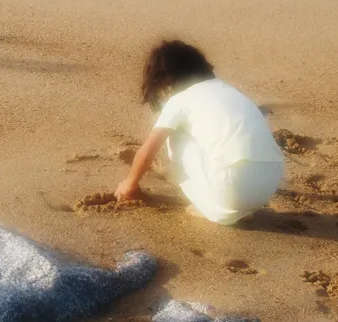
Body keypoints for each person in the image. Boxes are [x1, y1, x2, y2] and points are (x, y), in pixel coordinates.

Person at [115, 38, 284, 225]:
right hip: (269, 183)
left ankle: (211, 208)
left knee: (176, 136)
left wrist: (129, 184)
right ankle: (238, 207)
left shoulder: (179, 100)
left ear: (165, 81)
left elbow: (147, 152)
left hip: (231, 189)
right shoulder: (230, 91)